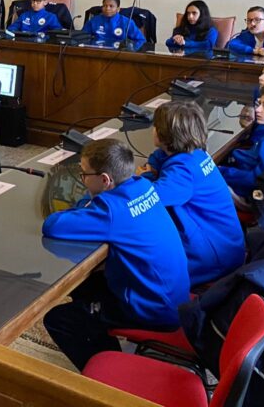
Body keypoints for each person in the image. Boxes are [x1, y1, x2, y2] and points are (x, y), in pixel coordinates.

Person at [42, 139, 190, 371]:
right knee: (82, 286)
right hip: (173, 297)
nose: (82, 179)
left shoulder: (111, 211)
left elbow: (53, 225)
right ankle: (99, 330)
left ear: (105, 180)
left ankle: (110, 370)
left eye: (84, 174)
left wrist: (89, 201)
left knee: (58, 319)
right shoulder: (143, 185)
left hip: (153, 309)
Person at [137, 103, 245, 286]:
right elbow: (160, 157)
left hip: (213, 260)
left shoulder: (183, 169)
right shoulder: (196, 155)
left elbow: (150, 200)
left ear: (164, 135)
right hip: (226, 244)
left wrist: (145, 176)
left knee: (138, 265)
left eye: (155, 126)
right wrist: (154, 166)